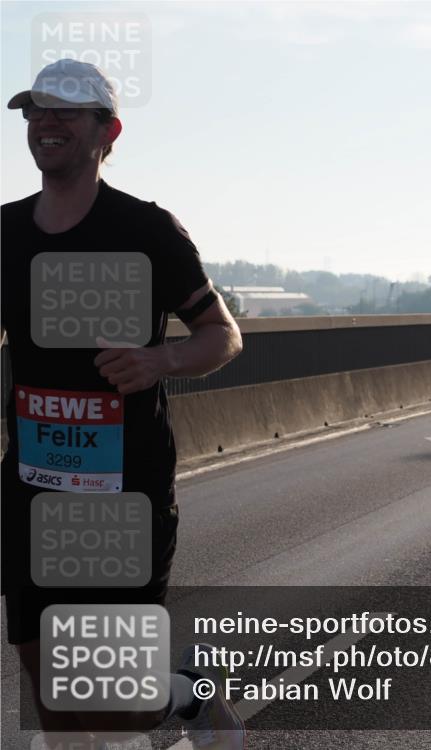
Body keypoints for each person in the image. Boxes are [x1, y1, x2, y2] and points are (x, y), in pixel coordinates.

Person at [2, 60, 245, 749]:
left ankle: (189, 697)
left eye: (64, 112)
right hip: (29, 490)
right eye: (34, 111)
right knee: (46, 679)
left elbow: (221, 335)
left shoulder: (145, 229)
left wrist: (160, 359)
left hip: (121, 493)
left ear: (107, 131)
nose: (44, 122)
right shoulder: (5, 232)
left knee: (109, 703)